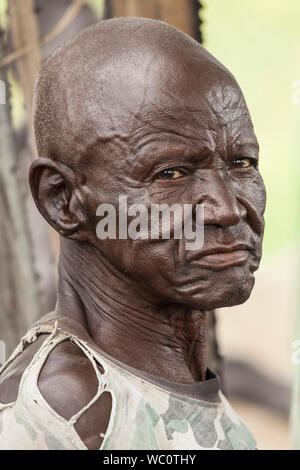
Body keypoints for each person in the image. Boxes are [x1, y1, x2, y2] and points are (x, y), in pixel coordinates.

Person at [0, 17, 266, 450]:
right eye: (171, 173)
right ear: (63, 200)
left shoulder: (158, 393)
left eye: (242, 164)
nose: (229, 208)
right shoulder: (57, 419)